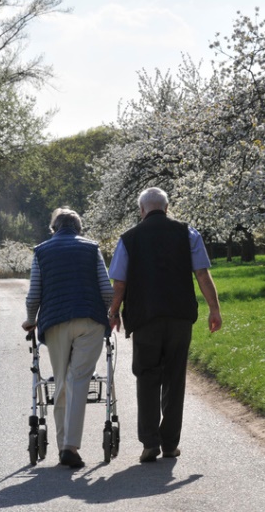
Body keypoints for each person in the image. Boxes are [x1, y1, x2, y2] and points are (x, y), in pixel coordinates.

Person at [108, 187, 222, 463]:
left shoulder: (128, 239)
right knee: (174, 377)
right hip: (180, 316)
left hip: (145, 318)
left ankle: (150, 443)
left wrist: (113, 311)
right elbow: (202, 275)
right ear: (167, 208)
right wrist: (214, 309)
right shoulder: (188, 233)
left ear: (142, 210)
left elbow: (119, 283)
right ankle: (170, 444)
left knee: (147, 377)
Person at [22, 208, 113, 469]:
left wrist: (31, 319)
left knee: (61, 380)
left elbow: (34, 296)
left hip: (55, 322)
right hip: (90, 320)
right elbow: (106, 289)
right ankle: (69, 448)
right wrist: (108, 312)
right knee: (79, 379)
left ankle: (65, 445)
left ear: (53, 228)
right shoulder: (91, 248)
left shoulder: (41, 251)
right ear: (79, 228)